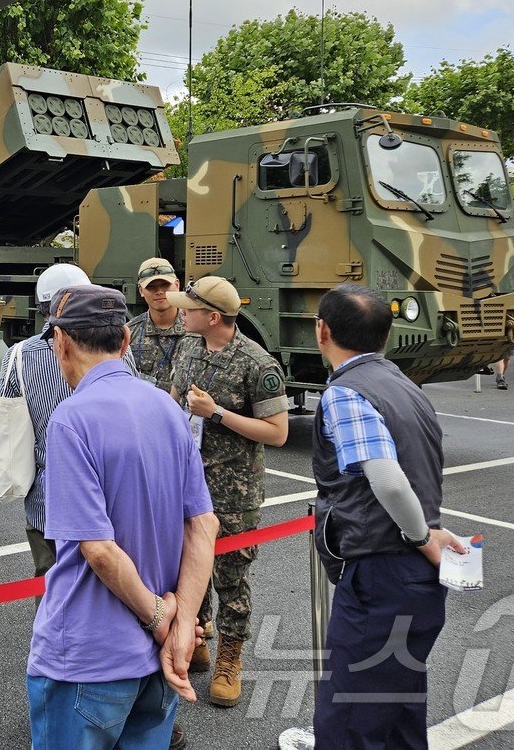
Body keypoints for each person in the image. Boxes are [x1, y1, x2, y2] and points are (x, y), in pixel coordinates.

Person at [28, 285, 219, 750]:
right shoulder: (167, 409)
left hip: (88, 655)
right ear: (126, 341)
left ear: (61, 341)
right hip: (158, 659)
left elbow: (97, 549)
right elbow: (203, 524)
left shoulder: (72, 419)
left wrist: (159, 617)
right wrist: (181, 626)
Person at [311, 283, 468, 750]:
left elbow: (390, 480)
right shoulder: (403, 385)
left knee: (350, 718)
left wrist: (422, 537)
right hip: (413, 577)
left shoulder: (346, 393)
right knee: (398, 708)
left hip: (381, 571)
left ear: (322, 331)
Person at [164, 276, 289, 708]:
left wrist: (216, 413)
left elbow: (277, 433)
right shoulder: (187, 348)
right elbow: (174, 401)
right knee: (185, 568)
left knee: (231, 578)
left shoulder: (257, 364)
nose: (181, 311)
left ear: (212, 317)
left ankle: (229, 659)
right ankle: (195, 638)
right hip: (188, 482)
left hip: (234, 489)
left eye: (189, 307)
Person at [0, 262, 93, 579]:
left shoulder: (20, 355)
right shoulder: (116, 349)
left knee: (51, 585)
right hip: (104, 492)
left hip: (47, 500)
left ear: (43, 306)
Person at [128, 257, 187, 393]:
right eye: (151, 287)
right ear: (141, 291)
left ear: (177, 285)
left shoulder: (196, 330)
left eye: (165, 285)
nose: (159, 291)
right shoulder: (130, 332)